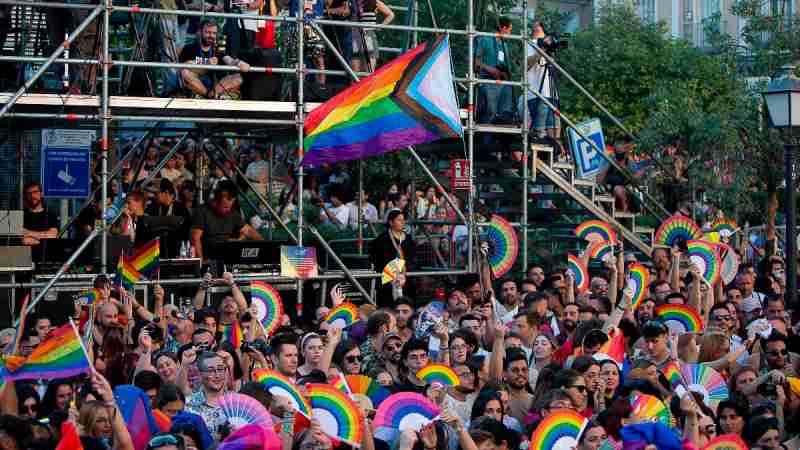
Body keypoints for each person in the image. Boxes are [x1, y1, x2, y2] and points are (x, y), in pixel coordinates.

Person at [190, 181, 263, 261]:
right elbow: (195, 238)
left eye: (230, 207)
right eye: (225, 207)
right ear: (216, 202)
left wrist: (263, 244)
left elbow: (248, 230)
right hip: (209, 259)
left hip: (226, 258)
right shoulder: (202, 211)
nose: (228, 210)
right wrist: (201, 263)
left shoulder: (232, 213)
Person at [177, 20, 251, 99]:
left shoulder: (219, 48)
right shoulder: (190, 48)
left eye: (214, 33)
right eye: (208, 32)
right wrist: (206, 62)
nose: (211, 36)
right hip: (198, 82)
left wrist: (239, 63)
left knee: (239, 77)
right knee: (185, 72)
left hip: (217, 85)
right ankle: (208, 94)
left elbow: (229, 60)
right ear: (200, 32)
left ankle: (212, 94)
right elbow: (186, 65)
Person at [526, 21, 561, 146]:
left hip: (551, 92)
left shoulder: (550, 44)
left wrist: (548, 47)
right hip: (536, 92)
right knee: (540, 133)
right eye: (535, 29)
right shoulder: (530, 43)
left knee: (554, 127)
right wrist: (541, 50)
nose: (537, 32)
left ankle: (555, 152)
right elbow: (525, 65)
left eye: (539, 30)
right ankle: (540, 158)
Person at [370, 210, 415, 307]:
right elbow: (376, 259)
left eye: (403, 220)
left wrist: (406, 269)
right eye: (399, 220)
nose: (402, 222)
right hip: (388, 278)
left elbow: (412, 257)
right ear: (391, 222)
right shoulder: (382, 239)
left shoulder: (408, 238)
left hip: (406, 277)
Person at [475, 17, 513, 124]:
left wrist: (503, 73)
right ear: (504, 28)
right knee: (490, 113)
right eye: (510, 30)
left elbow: (505, 67)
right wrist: (489, 69)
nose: (510, 33)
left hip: (502, 84)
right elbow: (475, 61)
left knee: (504, 115)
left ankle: (499, 137)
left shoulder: (504, 45)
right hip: (488, 82)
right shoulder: (485, 39)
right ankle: (486, 139)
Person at [185, 352, 228, 441]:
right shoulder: (188, 405)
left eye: (220, 369)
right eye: (211, 370)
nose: (217, 375)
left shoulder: (237, 403)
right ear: (200, 374)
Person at [22, 181, 58, 246]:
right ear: (26, 196)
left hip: (46, 254)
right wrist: (43, 238)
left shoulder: (50, 215)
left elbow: (52, 235)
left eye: (35, 192)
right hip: (25, 254)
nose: (32, 196)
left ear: (41, 194)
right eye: (29, 193)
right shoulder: (22, 215)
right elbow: (24, 240)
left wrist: (28, 233)